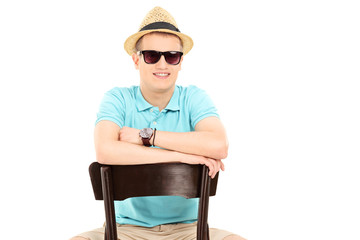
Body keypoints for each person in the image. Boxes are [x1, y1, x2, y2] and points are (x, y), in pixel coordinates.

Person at [71, 6, 246, 240]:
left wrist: (149, 137)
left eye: (172, 56)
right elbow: (105, 151)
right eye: (152, 55)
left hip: (189, 229)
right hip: (123, 229)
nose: (162, 65)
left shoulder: (194, 98)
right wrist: (183, 156)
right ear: (136, 59)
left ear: (181, 62)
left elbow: (219, 145)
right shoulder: (117, 99)